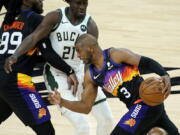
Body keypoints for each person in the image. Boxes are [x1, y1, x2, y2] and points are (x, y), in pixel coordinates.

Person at [4, 0, 114, 135]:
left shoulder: (90, 25)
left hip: (79, 72)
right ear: (69, 2)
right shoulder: (55, 17)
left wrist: (88, 82)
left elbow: (92, 59)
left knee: (107, 119)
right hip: (56, 74)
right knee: (83, 125)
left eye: (85, 3)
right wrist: (16, 55)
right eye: (78, 3)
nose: (82, 7)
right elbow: (36, 40)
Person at [48, 34, 180, 135]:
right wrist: (62, 101)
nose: (78, 55)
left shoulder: (115, 55)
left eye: (78, 50)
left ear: (89, 48)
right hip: (141, 107)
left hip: (145, 102)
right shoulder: (91, 75)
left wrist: (164, 74)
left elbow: (146, 62)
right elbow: (86, 106)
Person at [0, 0, 78, 135]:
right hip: (16, 82)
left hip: (2, 77)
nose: (41, 0)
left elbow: (23, 55)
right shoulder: (36, 20)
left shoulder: (8, 19)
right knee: (46, 131)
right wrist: (69, 70)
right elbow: (48, 53)